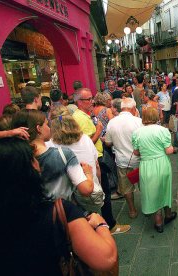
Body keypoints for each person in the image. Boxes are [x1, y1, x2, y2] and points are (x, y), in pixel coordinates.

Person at [0, 137, 117, 275]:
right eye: (33, 159)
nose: (38, 162)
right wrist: (100, 225)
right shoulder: (59, 212)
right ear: (28, 169)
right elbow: (106, 259)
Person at [73, 88, 130, 234]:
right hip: (94, 160)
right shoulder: (80, 118)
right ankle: (109, 225)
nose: (92, 101)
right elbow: (86, 143)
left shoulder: (84, 116)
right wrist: (98, 130)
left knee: (103, 193)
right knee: (103, 194)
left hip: (96, 158)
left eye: (92, 98)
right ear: (79, 102)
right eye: (88, 99)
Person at [12, 109, 94, 200]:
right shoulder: (62, 154)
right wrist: (88, 173)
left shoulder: (14, 157)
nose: (49, 128)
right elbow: (86, 189)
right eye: (47, 124)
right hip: (59, 210)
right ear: (39, 129)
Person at [48, 106, 105, 214]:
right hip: (88, 190)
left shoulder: (49, 144)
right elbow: (96, 165)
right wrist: (98, 184)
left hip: (65, 197)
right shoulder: (85, 139)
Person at [132, 107, 176, 233]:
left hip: (146, 165)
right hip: (162, 163)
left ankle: (158, 221)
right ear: (156, 117)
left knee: (151, 191)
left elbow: (136, 152)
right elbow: (169, 150)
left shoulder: (137, 133)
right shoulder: (163, 130)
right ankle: (168, 214)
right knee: (165, 188)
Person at [105, 98, 143, 218]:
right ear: (133, 108)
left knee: (126, 187)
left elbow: (108, 143)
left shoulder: (112, 122)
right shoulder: (139, 121)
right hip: (140, 161)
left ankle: (132, 211)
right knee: (144, 185)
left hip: (122, 161)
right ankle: (147, 207)